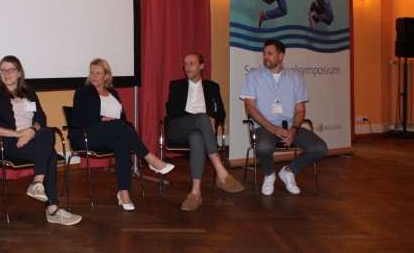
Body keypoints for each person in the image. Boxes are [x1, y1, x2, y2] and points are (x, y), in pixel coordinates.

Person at [0, 55, 81, 225]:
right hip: (8, 142)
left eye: (11, 70)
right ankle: (52, 209)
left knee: (47, 131)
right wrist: (18, 134)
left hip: (31, 138)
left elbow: (41, 118)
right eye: (3, 71)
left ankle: (38, 184)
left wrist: (31, 132)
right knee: (48, 154)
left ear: (19, 73)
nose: (7, 74)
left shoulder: (29, 91)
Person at [71, 58, 174, 211]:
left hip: (110, 133)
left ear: (106, 76)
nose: (94, 75)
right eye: (92, 72)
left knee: (122, 142)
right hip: (87, 134)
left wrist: (116, 124)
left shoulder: (112, 92)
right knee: (119, 127)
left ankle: (123, 192)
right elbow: (79, 117)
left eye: (98, 73)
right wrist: (101, 118)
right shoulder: (83, 91)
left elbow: (122, 117)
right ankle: (150, 158)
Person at [239, 39, 328, 195]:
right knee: (264, 147)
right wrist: (272, 128)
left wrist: (294, 129)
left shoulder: (296, 78)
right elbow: (250, 108)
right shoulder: (254, 76)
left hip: (290, 126)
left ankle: (289, 171)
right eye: (264, 53)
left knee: (320, 148)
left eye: (270, 53)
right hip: (265, 127)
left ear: (281, 56)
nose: (265, 56)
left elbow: (300, 110)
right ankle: (269, 175)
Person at [165, 53, 245, 211]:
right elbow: (172, 112)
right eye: (185, 64)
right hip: (177, 128)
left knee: (197, 137)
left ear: (201, 66)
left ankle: (195, 194)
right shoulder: (176, 85)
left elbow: (221, 113)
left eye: (192, 63)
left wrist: (213, 118)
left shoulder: (212, 87)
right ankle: (222, 173)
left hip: (200, 132)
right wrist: (202, 119)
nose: (187, 67)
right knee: (202, 118)